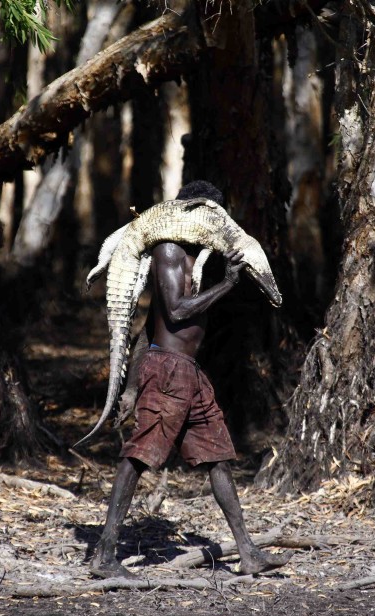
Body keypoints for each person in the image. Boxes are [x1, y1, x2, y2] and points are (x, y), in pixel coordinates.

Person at [89, 180, 291, 579]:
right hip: (167, 371)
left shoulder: (194, 258)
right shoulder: (168, 251)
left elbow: (150, 326)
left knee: (217, 458)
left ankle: (248, 553)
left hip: (189, 374)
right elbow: (176, 313)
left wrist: (131, 387)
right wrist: (228, 284)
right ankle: (104, 555)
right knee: (139, 456)